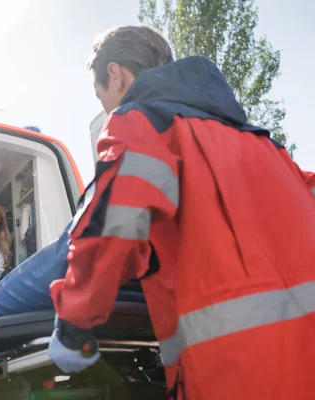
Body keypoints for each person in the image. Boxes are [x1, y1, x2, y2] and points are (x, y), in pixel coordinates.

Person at [48, 25, 315, 399]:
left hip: (238, 368)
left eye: (101, 96)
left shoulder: (142, 123)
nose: (106, 108)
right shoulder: (266, 146)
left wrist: (74, 325)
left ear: (115, 74)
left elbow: (114, 225)